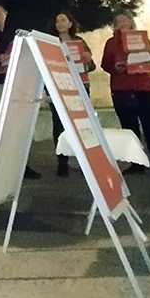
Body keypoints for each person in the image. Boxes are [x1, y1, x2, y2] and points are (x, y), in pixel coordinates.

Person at [101, 13, 150, 178]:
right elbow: (105, 64)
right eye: (118, 21)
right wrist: (114, 67)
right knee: (130, 130)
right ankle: (137, 164)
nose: (122, 23)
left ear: (131, 23)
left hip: (145, 88)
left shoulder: (143, 40)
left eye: (125, 20)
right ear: (114, 25)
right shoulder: (111, 43)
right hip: (122, 90)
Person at [0, 3, 40, 180]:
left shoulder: (15, 33)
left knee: (18, 122)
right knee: (1, 122)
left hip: (17, 82)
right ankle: (2, 164)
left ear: (6, 14)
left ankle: (22, 164)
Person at [52, 11, 97, 177]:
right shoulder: (51, 43)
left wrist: (88, 58)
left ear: (71, 23)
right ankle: (62, 162)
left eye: (63, 20)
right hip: (60, 87)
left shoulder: (80, 42)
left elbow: (92, 67)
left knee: (81, 123)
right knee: (59, 125)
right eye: (57, 21)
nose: (60, 24)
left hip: (80, 86)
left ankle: (83, 160)